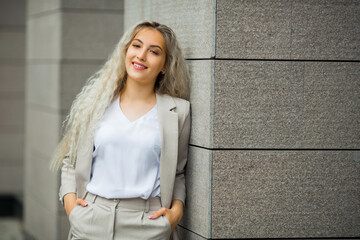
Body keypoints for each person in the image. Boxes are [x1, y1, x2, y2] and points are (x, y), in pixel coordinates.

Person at [51, 21, 191, 240]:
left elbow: (178, 172)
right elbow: (71, 161)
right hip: (91, 220)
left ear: (165, 64)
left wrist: (176, 212)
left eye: (154, 51)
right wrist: (72, 207)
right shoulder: (96, 103)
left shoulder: (178, 111)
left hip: (148, 224)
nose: (141, 55)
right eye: (136, 46)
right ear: (126, 51)